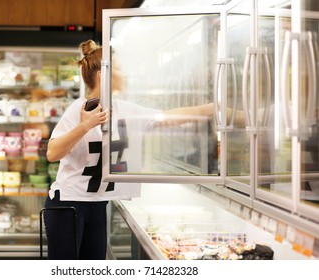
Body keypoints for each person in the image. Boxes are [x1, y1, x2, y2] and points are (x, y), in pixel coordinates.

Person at [44, 39, 220, 260]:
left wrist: (214, 108)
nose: (125, 75)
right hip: (67, 204)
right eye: (119, 69)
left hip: (97, 204)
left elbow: (167, 118)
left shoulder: (124, 109)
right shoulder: (77, 110)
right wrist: (85, 125)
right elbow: (52, 153)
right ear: (103, 75)